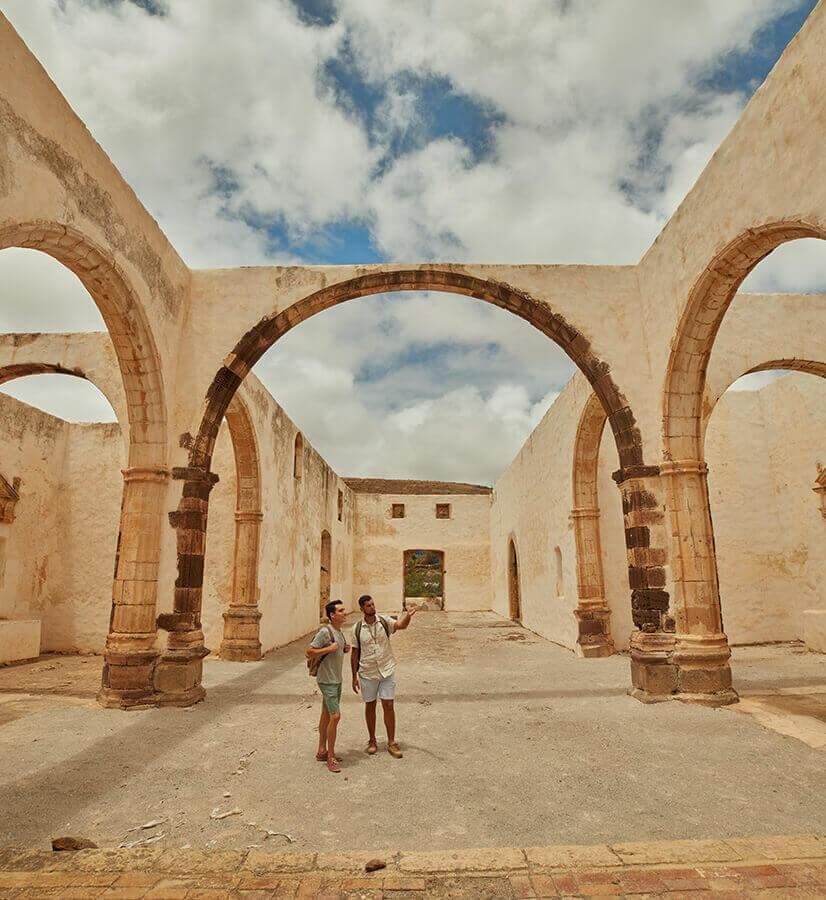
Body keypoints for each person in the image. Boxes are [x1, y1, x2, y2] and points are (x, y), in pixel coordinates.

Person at [350, 594, 418, 758]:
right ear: (362, 609)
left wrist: (408, 616)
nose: (372, 607)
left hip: (387, 669)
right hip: (367, 672)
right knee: (370, 706)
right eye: (368, 606)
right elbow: (354, 653)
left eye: (373, 604)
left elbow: (401, 625)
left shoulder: (384, 621)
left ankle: (391, 742)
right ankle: (372, 740)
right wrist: (354, 676)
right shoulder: (357, 628)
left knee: (388, 705)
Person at [307, 599, 349, 773]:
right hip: (327, 681)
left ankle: (321, 751)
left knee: (326, 715)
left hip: (336, 680)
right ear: (332, 615)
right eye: (341, 611)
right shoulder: (325, 631)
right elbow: (309, 651)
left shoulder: (339, 632)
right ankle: (331, 757)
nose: (344, 613)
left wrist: (343, 648)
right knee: (335, 716)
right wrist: (329, 649)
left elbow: (336, 648)